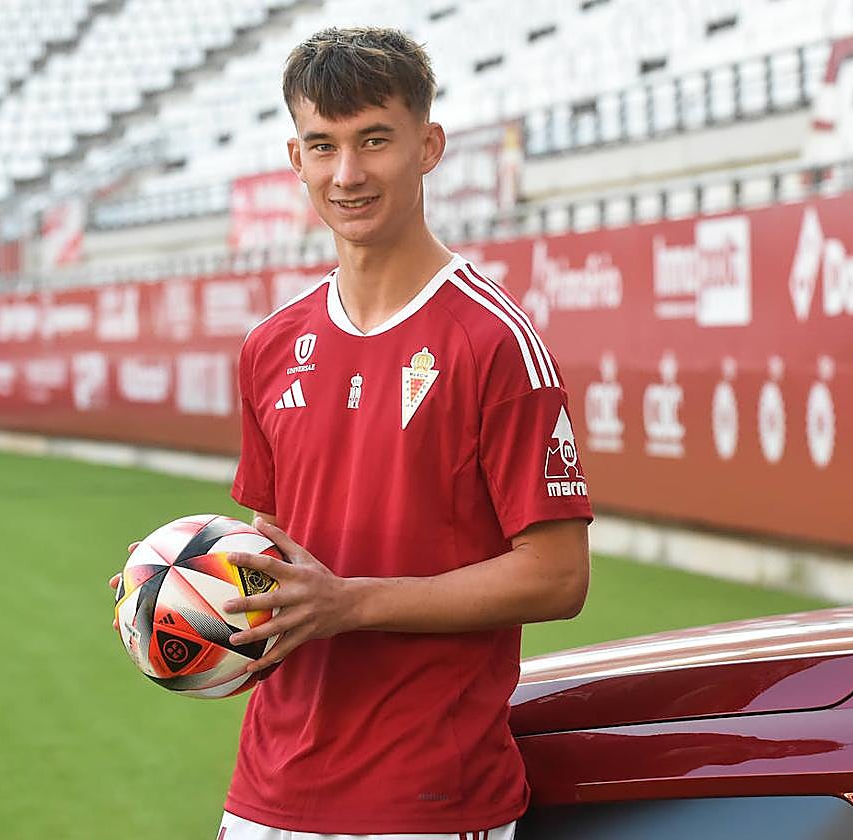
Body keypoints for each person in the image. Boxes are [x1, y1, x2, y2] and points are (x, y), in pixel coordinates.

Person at [203, 25, 590, 840]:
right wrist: (185, 598)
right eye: (324, 145)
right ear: (295, 158)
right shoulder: (271, 345)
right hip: (264, 797)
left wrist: (350, 604)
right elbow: (272, 555)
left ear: (428, 145)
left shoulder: (493, 341)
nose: (347, 174)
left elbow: (558, 578)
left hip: (424, 802)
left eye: (374, 140)